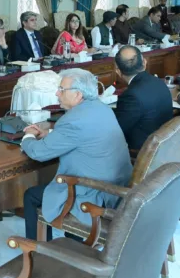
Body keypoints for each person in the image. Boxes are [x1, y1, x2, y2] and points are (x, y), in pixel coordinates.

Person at [20, 68, 132, 240]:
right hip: (116, 189)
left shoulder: (73, 120)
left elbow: (38, 152)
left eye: (62, 90)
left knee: (31, 195)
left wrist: (27, 136)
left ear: (78, 95)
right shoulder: (102, 108)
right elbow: (85, 136)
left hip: (94, 195)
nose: (57, 93)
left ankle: (38, 251)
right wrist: (50, 135)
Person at [113, 46, 173, 151]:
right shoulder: (159, 82)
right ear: (144, 63)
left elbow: (116, 131)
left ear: (118, 71)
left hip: (142, 153)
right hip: (165, 145)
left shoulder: (130, 96)